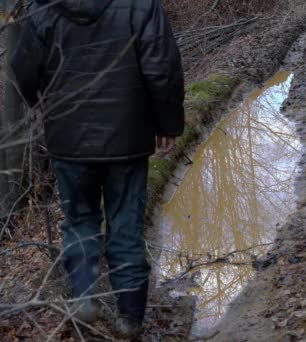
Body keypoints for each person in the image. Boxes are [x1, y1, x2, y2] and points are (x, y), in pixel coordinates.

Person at [10, 0, 184, 338]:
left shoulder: (43, 7)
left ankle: (85, 298)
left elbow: (24, 68)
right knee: (125, 227)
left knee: (79, 221)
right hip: (128, 139)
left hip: (68, 136)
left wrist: (43, 105)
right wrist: (168, 124)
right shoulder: (140, 4)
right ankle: (130, 318)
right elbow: (161, 67)